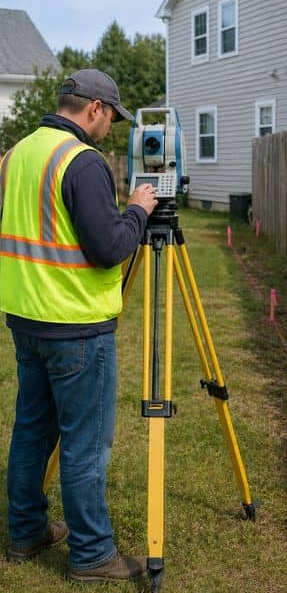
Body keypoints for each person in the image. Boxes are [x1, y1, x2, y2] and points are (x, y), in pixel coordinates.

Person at [0, 69, 158, 583]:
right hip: (75, 326)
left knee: (31, 431)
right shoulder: (82, 161)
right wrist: (137, 210)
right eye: (111, 116)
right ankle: (92, 554)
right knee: (84, 444)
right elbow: (109, 247)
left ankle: (25, 532)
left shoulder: (19, 152)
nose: (110, 126)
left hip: (26, 318)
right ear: (94, 108)